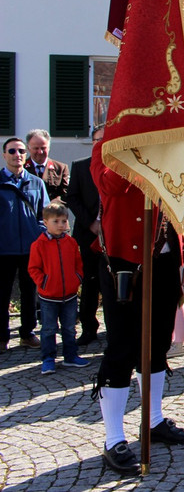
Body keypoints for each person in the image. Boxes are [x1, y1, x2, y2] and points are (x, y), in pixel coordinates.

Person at [91, 142, 184, 475]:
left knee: (156, 345)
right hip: (124, 260)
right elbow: (110, 185)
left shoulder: (172, 146)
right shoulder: (108, 149)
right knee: (122, 347)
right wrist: (139, 150)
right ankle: (113, 438)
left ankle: (152, 421)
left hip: (166, 259)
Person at [28, 202, 90, 373]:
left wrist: (77, 278)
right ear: (45, 222)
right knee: (48, 329)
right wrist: (44, 282)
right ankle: (48, 358)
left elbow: (78, 264)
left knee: (69, 328)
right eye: (56, 221)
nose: (61, 225)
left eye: (63, 221)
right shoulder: (38, 245)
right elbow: (33, 269)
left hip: (69, 295)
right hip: (48, 296)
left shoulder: (70, 242)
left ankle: (71, 356)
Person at [0, 137, 45, 353]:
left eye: (20, 151)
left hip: (30, 248)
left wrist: (38, 234)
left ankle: (27, 333)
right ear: (4, 155)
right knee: (2, 293)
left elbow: (44, 214)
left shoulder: (36, 183)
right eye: (12, 151)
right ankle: (1, 337)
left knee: (30, 292)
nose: (17, 155)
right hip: (3, 248)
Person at [66, 126, 104, 347]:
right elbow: (72, 198)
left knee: (112, 283)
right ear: (92, 143)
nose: (100, 143)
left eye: (105, 140)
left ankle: (115, 328)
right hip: (87, 234)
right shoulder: (81, 167)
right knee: (90, 282)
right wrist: (91, 223)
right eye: (97, 140)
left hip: (112, 235)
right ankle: (89, 328)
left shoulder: (120, 166)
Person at [25, 129, 70, 203]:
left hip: (52, 212)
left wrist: (54, 204)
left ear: (49, 148)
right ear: (28, 148)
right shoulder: (22, 168)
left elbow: (67, 193)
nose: (40, 152)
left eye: (43, 148)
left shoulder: (60, 168)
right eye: (36, 148)